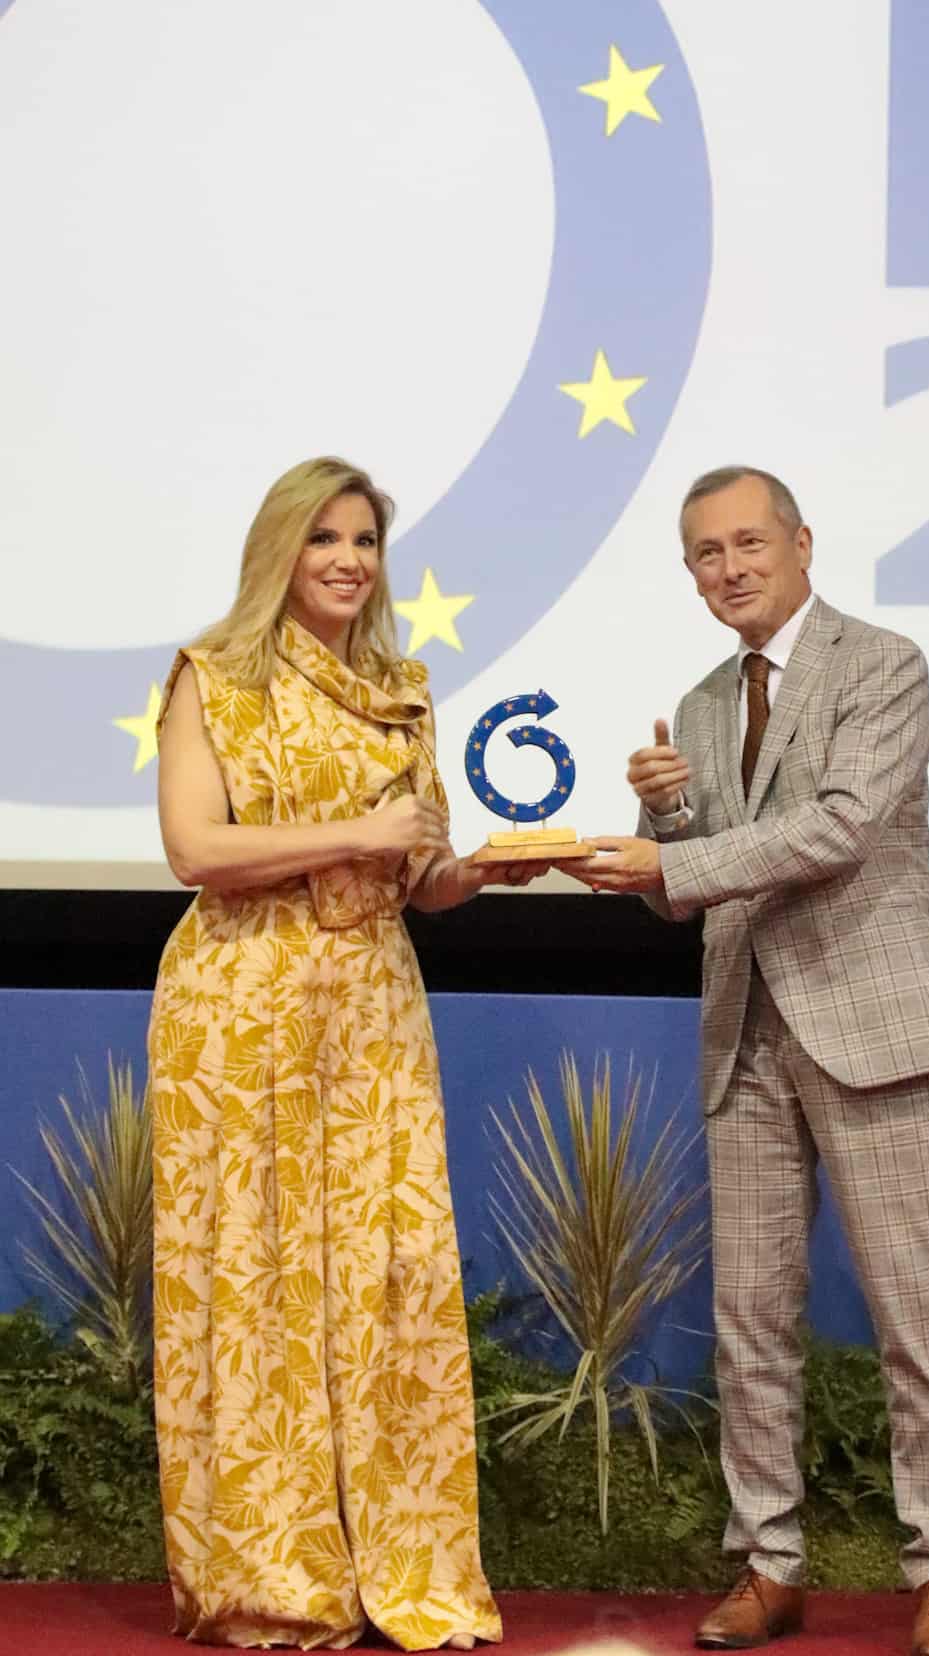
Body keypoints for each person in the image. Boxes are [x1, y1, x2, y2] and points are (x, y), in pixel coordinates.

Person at [568, 467, 929, 1656]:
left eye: (748, 542)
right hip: (743, 1035)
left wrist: (672, 863)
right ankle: (766, 1563)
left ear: (801, 543)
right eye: (704, 553)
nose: (729, 567)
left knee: (915, 1318)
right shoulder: (700, 704)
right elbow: (694, 895)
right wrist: (662, 827)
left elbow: (840, 827)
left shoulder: (881, 662)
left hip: (877, 1028)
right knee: (749, 1317)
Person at [149, 456, 534, 1650]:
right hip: (238, 1014)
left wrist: (480, 872)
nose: (347, 560)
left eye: (364, 539)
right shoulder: (213, 678)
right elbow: (193, 849)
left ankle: (403, 1561)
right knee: (255, 1280)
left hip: (370, 1013)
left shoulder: (401, 694)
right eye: (324, 537)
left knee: (389, 1273)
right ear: (282, 550)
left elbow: (419, 878)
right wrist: (357, 830)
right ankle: (272, 1575)